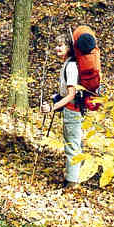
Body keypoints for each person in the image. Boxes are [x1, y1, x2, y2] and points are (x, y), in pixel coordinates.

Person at [41, 33, 83, 189]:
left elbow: (72, 94)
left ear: (69, 48)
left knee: (72, 145)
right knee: (76, 143)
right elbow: (66, 92)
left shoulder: (71, 66)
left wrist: (53, 107)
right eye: (56, 45)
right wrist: (54, 99)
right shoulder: (67, 64)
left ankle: (71, 182)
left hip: (73, 111)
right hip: (71, 109)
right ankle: (78, 175)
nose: (57, 48)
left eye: (61, 45)